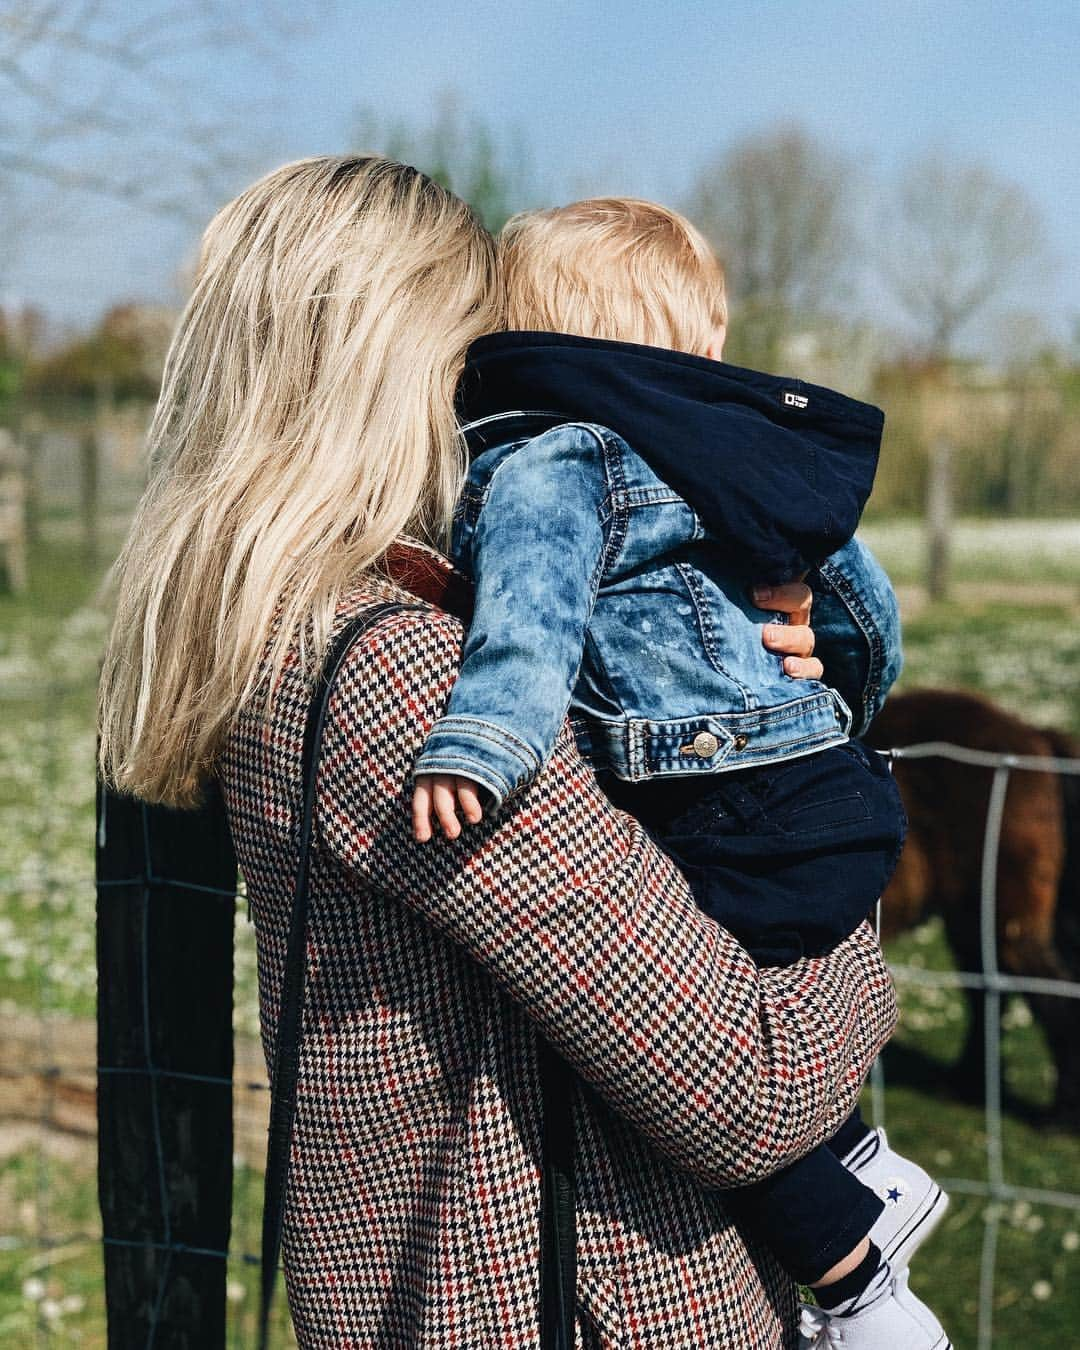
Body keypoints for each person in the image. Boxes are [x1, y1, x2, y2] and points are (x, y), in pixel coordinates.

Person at [98, 156, 898, 1346]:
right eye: (484, 352)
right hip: (558, 1305)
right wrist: (812, 787)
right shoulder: (403, 673)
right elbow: (753, 1082)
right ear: (406, 366)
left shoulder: (286, 633)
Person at [411, 198, 950, 1349]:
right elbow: (864, 605)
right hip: (825, 794)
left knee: (670, 1049)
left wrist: (484, 745)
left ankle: (858, 1285)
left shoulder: (554, 456)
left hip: (723, 807)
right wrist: (842, 713)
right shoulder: (745, 457)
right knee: (745, 997)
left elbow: (533, 623)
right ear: (690, 346)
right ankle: (858, 1158)